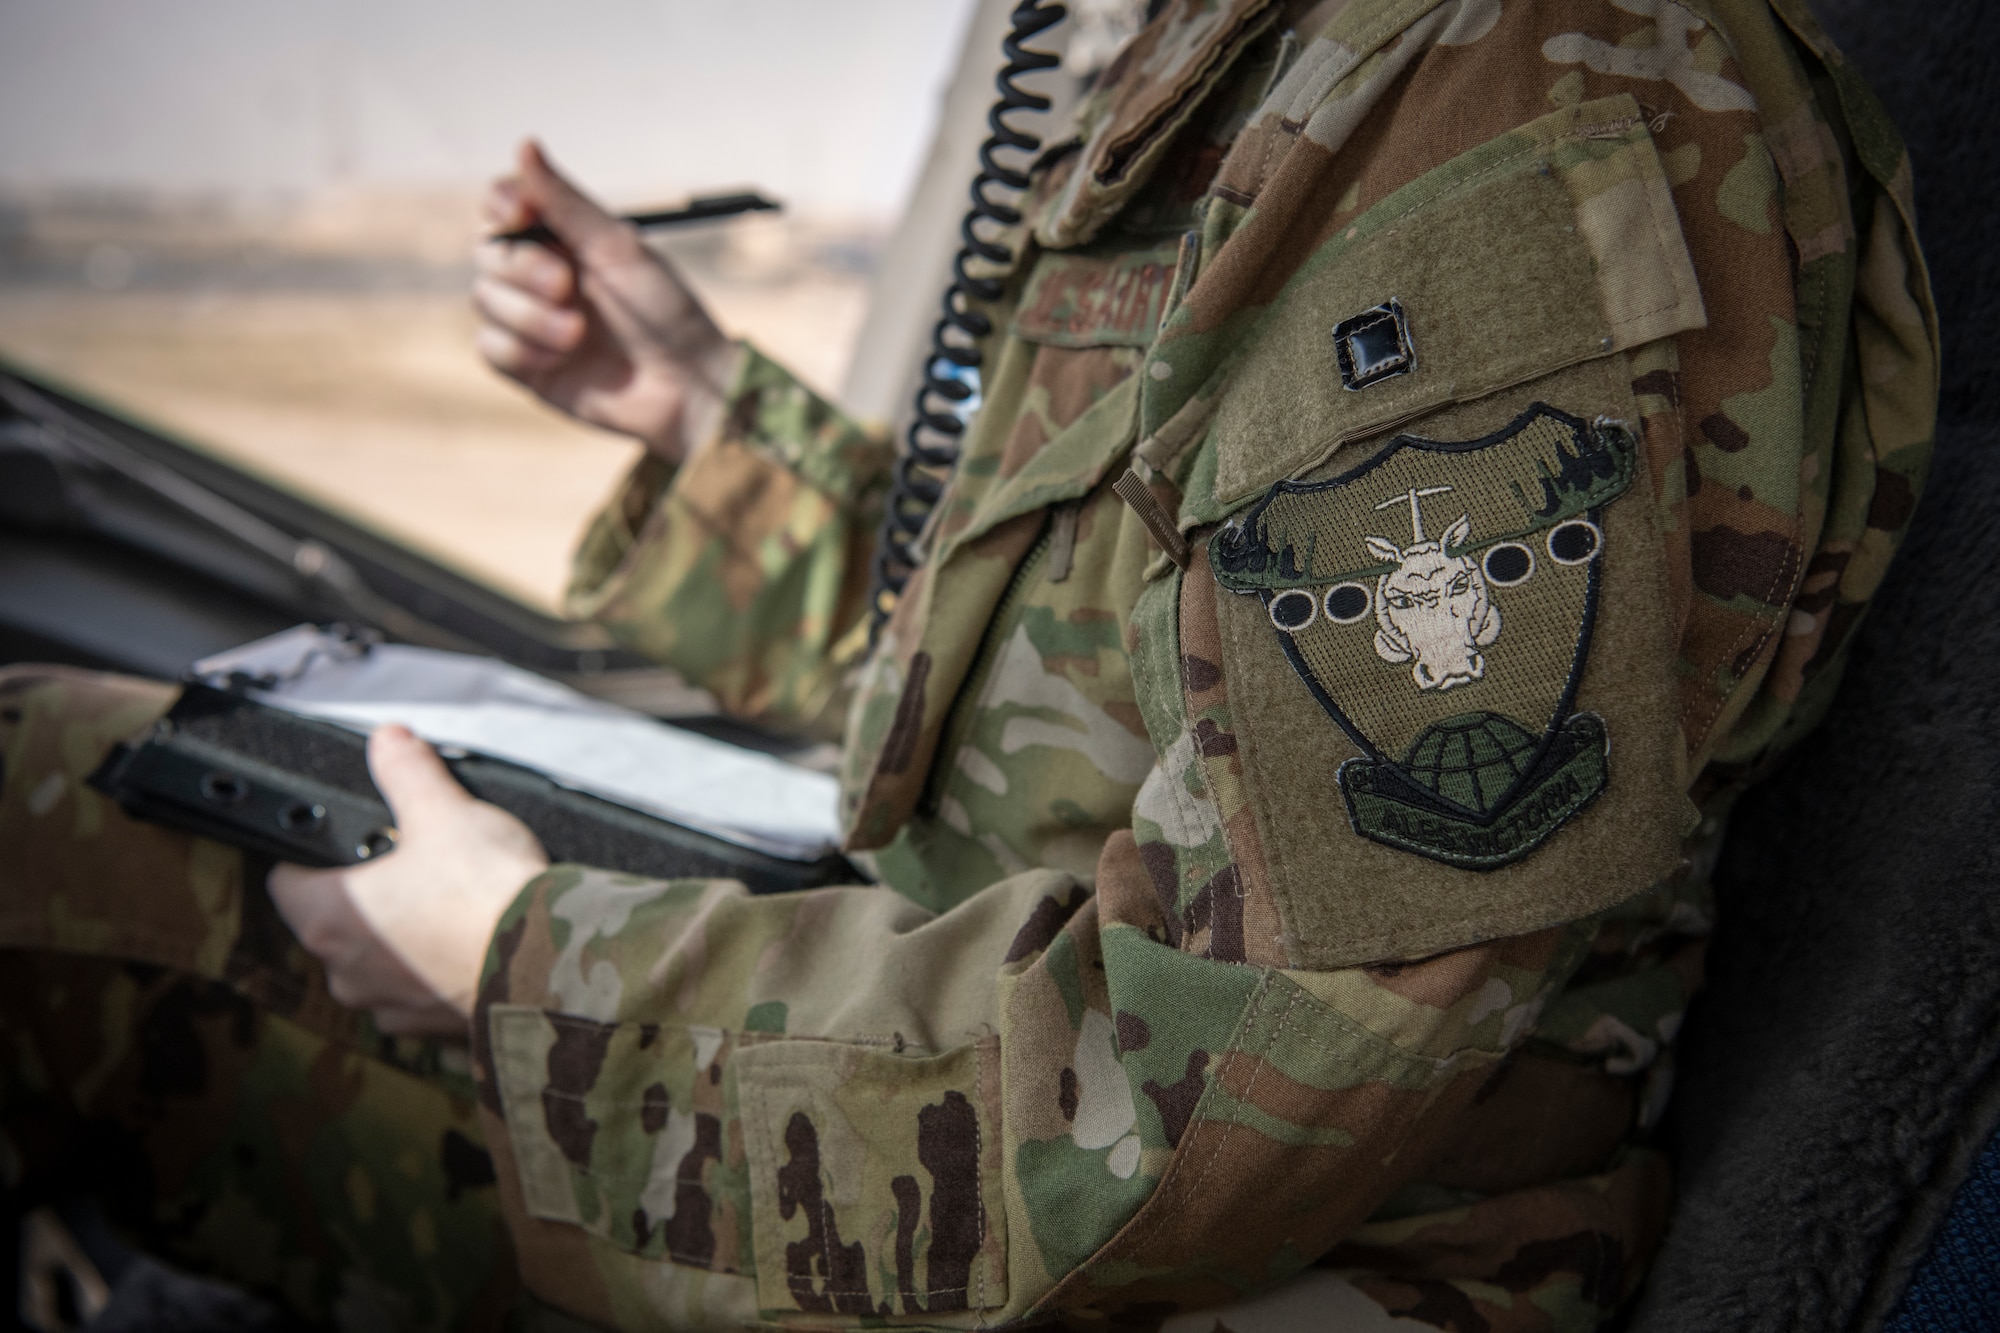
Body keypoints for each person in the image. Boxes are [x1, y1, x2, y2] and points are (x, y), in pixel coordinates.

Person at [0, 0, 1939, 1328]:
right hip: (986, 1103)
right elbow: (1087, 686)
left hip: (1177, 1251)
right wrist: (701, 425)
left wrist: (511, 965)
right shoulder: (1265, 59)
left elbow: (1208, 1094)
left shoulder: (1482, 107)